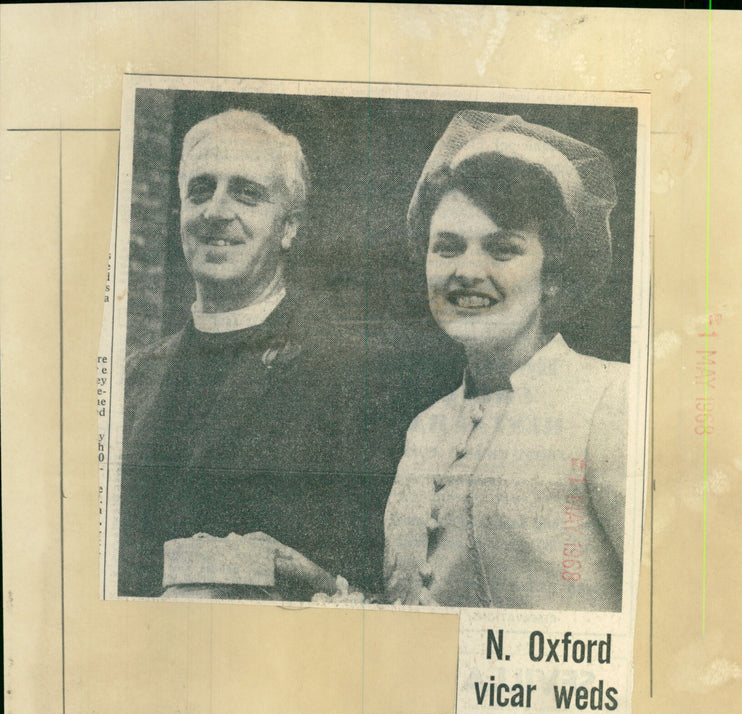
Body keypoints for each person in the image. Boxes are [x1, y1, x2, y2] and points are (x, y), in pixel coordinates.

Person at [118, 109, 372, 599]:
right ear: (181, 216)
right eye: (200, 190)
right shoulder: (136, 377)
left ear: (289, 227)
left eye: (247, 194)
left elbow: (375, 586)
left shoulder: (346, 372)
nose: (216, 212)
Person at [382, 110, 629, 610]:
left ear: (554, 274)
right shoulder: (425, 430)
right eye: (447, 247)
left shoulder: (611, 400)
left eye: (503, 249)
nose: (467, 271)